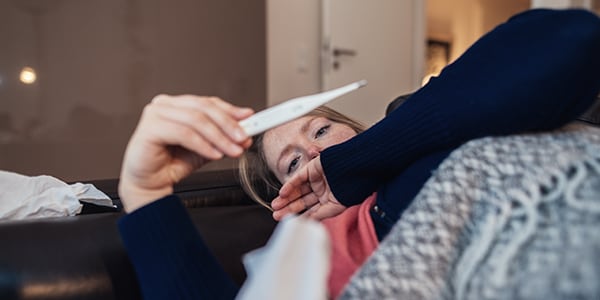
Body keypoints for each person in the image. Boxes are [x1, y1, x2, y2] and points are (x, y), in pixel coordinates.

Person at [118, 8, 600, 300]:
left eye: (323, 128)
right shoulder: (311, 254)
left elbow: (573, 40)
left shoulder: (419, 119)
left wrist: (355, 163)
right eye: (294, 163)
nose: (316, 150)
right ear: (286, 202)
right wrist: (145, 191)